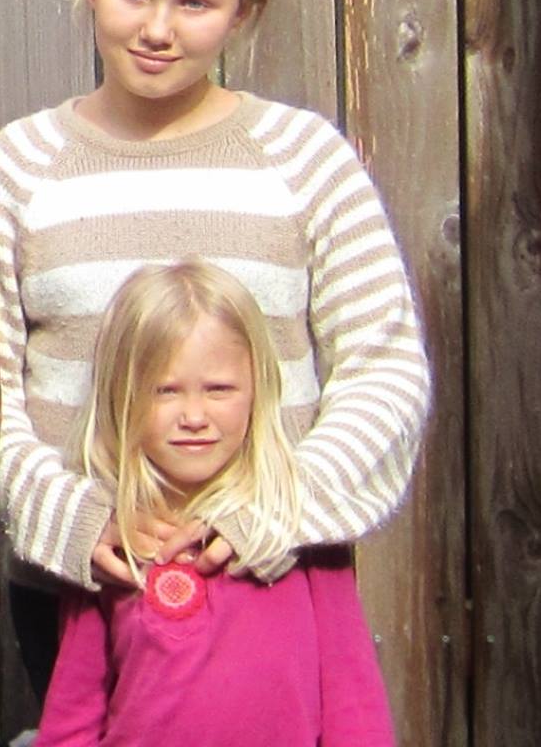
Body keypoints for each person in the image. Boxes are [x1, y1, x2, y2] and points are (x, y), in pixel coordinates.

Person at [0, 0, 431, 697]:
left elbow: (386, 367)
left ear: (244, 12)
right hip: (83, 600)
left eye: (195, 4)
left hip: (272, 590)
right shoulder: (18, 166)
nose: (158, 28)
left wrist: (278, 510)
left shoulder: (304, 159)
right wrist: (68, 516)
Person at [33, 260, 395, 746]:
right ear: (123, 397)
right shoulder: (115, 546)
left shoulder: (304, 534)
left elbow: (356, 708)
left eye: (219, 389)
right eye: (166, 391)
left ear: (257, 391)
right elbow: (71, 722)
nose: (195, 416)